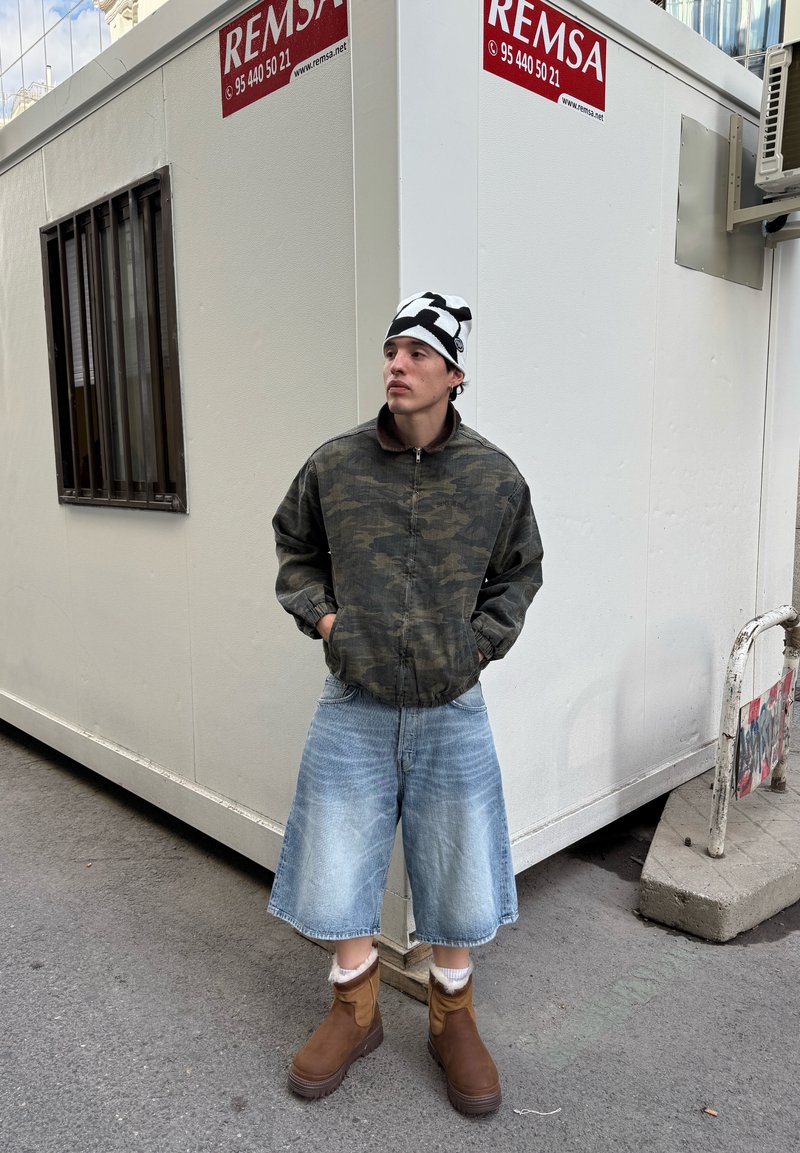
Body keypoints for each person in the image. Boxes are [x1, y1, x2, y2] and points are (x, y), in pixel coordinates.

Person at [269, 291, 543, 1115]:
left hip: (449, 704)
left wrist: (475, 646)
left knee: (457, 859)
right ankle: (355, 1009)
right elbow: (295, 548)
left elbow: (518, 575)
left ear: (453, 374)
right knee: (335, 854)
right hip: (354, 697)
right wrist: (326, 619)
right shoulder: (335, 464)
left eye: (417, 353)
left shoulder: (494, 476)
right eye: (392, 350)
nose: (397, 364)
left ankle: (450, 1014)